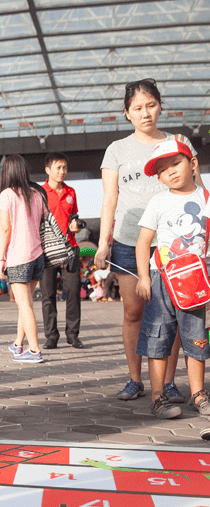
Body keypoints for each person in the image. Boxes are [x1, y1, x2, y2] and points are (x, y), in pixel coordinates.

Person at [96, 79, 204, 402]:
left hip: (173, 245)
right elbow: (110, 199)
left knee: (168, 314)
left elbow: (197, 191)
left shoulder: (179, 142)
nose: (146, 113)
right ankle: (135, 378)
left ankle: (168, 383)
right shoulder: (117, 150)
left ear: (160, 106)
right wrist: (103, 243)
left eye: (151, 105)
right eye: (138, 108)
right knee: (133, 311)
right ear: (127, 113)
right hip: (129, 242)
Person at [134, 138, 210, 419]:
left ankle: (199, 394)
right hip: (161, 278)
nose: (171, 172)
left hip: (195, 282)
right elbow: (143, 242)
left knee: (196, 338)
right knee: (158, 337)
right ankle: (158, 396)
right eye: (163, 170)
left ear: (192, 164)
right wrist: (143, 277)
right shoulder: (158, 201)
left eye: (176, 163)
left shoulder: (206, 198)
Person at [0, 155, 45, 363]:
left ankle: (34, 351)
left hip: (18, 256)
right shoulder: (37, 193)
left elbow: (5, 229)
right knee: (26, 304)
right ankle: (18, 344)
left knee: (24, 305)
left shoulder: (6, 195)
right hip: (37, 255)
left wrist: (1, 259)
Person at [41, 152, 84, 349]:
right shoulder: (39, 193)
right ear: (48, 170)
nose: (62, 171)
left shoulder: (71, 192)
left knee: (73, 292)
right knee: (48, 295)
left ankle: (73, 334)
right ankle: (51, 336)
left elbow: (73, 215)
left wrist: (76, 225)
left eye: (64, 167)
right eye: (58, 167)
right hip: (46, 251)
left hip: (70, 249)